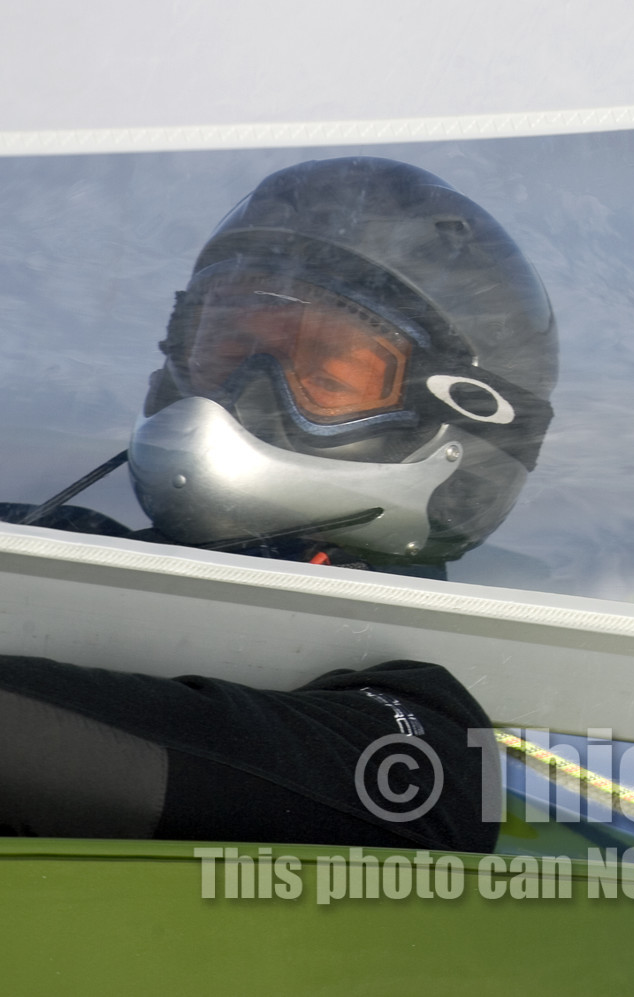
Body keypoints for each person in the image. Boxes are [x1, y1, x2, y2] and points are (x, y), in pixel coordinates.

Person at [0, 157, 557, 852]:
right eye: (225, 346)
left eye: (323, 372)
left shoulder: (424, 721)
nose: (244, 394)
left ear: (457, 417)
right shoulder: (53, 552)